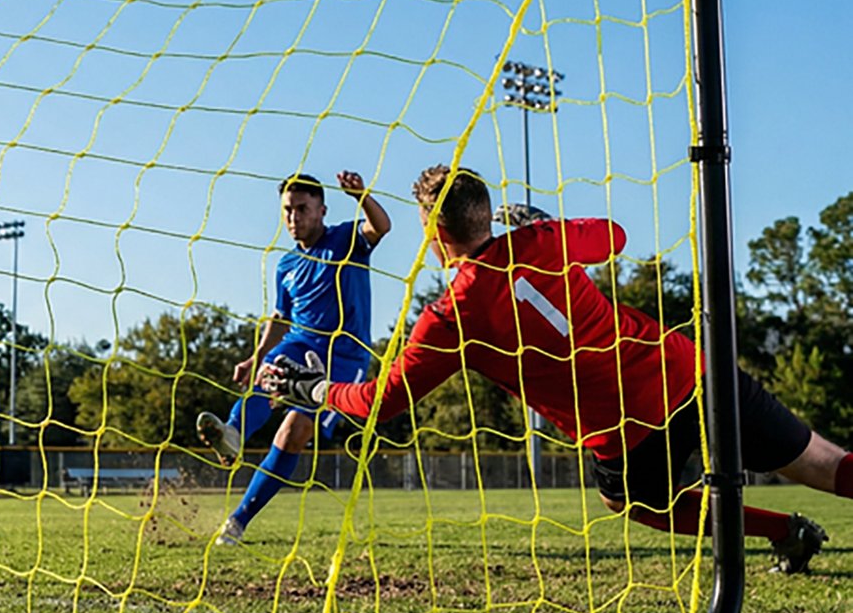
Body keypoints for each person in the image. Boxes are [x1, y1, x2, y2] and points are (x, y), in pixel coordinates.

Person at [263, 164, 852, 573]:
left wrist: (311, 387)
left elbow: (381, 402)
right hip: (686, 373)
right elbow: (616, 236)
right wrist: (546, 221)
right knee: (827, 465)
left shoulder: (451, 315)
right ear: (487, 216)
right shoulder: (543, 239)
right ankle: (789, 529)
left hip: (626, 432)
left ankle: (782, 530)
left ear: (433, 235)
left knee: (642, 506)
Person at [198, 170, 391, 546]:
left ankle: (238, 521)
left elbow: (381, 226)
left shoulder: (346, 239)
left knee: (292, 433)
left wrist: (361, 195)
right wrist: (255, 356)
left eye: (302, 208)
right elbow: (281, 319)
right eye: (287, 210)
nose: (293, 217)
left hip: (344, 358)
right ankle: (233, 433)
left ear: (321, 210)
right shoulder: (286, 265)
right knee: (269, 372)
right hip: (300, 344)